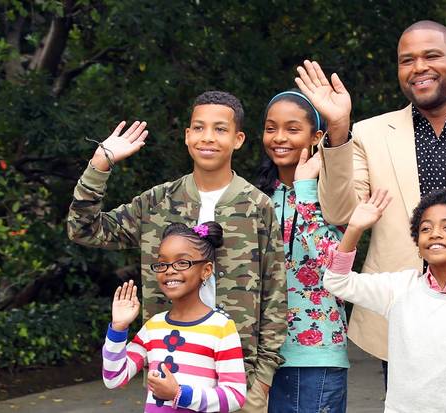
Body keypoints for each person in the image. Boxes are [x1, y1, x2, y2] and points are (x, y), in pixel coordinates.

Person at [295, 20, 446, 377]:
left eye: (431, 55)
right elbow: (341, 211)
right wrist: (339, 129)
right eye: (407, 60)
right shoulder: (368, 133)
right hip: (401, 312)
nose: (419, 67)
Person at [67, 91, 287, 412]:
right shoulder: (157, 202)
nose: (207, 137)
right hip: (167, 382)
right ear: (187, 136)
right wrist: (100, 163)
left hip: (238, 383)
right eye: (198, 128)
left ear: (238, 139)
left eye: (220, 129)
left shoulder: (258, 206)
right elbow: (83, 228)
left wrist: (263, 379)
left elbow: (276, 297)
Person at [323, 188, 446, 413]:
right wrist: (354, 229)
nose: (435, 233)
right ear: (418, 245)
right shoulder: (400, 289)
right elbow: (337, 282)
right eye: (426, 228)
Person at [255, 90, 349, 413]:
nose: (279, 137)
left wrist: (305, 190)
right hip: (262, 356)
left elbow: (334, 265)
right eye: (271, 128)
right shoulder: (257, 197)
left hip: (317, 354)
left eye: (292, 129)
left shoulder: (333, 192)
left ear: (316, 136)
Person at [103, 222, 247, 412]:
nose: (169, 270)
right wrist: (118, 328)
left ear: (206, 270)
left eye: (182, 262)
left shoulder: (221, 327)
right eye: (163, 264)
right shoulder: (153, 327)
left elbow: (235, 396)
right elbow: (114, 378)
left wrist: (179, 393)